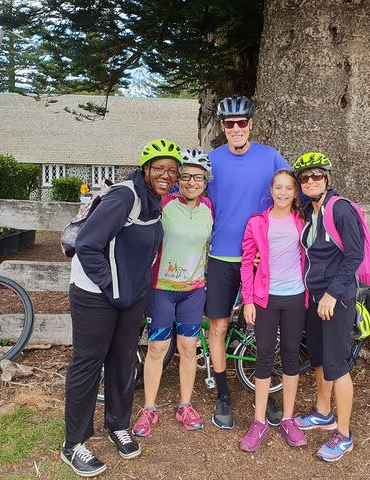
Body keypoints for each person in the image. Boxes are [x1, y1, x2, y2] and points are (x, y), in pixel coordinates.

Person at [61, 139, 181, 477]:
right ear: (145, 169)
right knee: (88, 363)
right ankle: (74, 443)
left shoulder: (155, 202)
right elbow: (87, 244)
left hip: (129, 296)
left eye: (172, 171)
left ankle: (117, 425)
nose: (166, 175)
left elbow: (143, 253)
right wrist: (111, 287)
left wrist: (135, 292)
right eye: (159, 168)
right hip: (94, 292)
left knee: (124, 359)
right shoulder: (124, 196)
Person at [205, 94, 290, 430]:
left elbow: (294, 193)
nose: (236, 128)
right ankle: (222, 393)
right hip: (220, 257)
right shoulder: (211, 160)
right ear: (222, 127)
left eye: (242, 122)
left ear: (251, 124)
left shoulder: (270, 157)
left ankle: (263, 390)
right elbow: (187, 193)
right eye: (230, 124)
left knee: (260, 328)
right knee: (220, 326)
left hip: (259, 258)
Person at [132, 149, 214, 437]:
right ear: (178, 179)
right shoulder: (164, 203)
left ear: (206, 181)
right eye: (186, 176)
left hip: (193, 291)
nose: (192, 182)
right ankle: (149, 408)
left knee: (189, 348)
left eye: (198, 177)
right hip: (162, 289)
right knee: (156, 348)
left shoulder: (209, 208)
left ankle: (185, 405)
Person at [291, 152, 363, 463]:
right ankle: (323, 412)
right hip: (314, 297)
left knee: (337, 365)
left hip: (337, 297)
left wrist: (333, 294)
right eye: (304, 177)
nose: (310, 181)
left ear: (327, 178)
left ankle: (344, 434)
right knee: (319, 358)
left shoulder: (340, 208)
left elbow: (354, 255)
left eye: (316, 176)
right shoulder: (310, 212)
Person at [238, 169, 308, 453]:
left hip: (295, 297)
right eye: (278, 188)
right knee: (264, 355)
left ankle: (289, 419)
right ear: (271, 190)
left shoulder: (303, 220)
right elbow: (245, 262)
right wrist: (249, 300)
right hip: (265, 298)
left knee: (291, 355)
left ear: (295, 192)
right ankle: (259, 421)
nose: (282, 193)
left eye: (288, 188)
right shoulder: (257, 222)